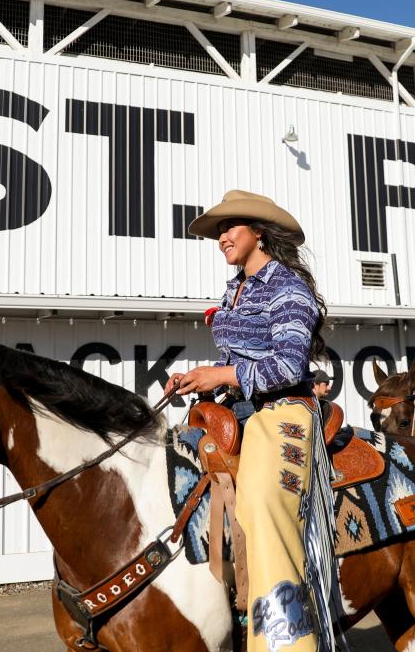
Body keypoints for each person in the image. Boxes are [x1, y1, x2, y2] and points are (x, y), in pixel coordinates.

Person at [165, 190, 336, 652]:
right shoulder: (234, 288)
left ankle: (287, 643)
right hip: (236, 410)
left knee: (262, 508)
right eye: (218, 230)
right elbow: (237, 361)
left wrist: (220, 373)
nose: (222, 237)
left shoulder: (288, 288)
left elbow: (287, 366)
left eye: (230, 227)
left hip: (282, 412)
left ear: (259, 231)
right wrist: (199, 379)